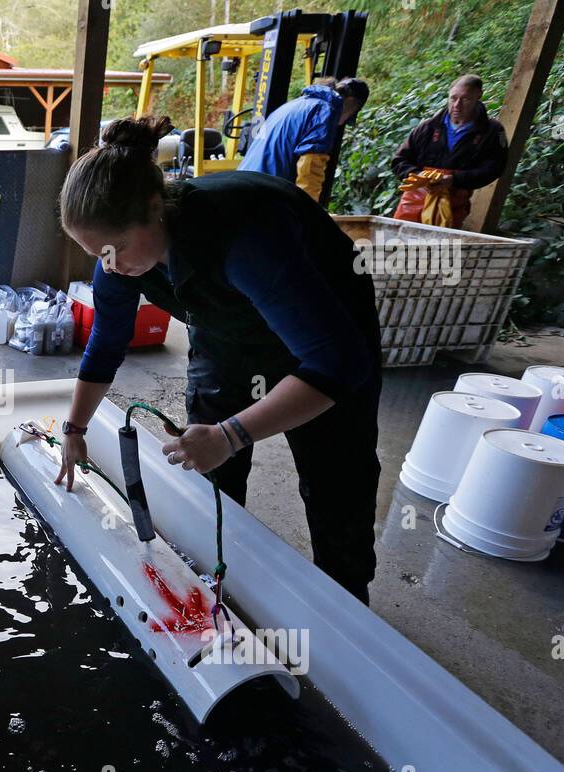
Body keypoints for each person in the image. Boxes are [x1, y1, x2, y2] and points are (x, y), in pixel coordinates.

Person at [56, 116, 384, 605]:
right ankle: (217, 583)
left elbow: (336, 363)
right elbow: (106, 342)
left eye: (118, 248)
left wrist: (233, 433)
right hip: (226, 336)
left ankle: (349, 609)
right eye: (95, 253)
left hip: (325, 336)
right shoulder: (118, 260)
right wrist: (74, 430)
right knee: (207, 467)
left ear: (154, 207)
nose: (110, 265)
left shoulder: (244, 233)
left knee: (336, 485)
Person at [391, 74, 508, 228]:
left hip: (454, 203)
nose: (457, 105)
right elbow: (399, 160)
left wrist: (454, 179)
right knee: (399, 245)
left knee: (441, 249)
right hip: (413, 201)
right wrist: (420, 177)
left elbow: (494, 168)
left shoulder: (491, 131)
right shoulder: (428, 127)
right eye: (453, 98)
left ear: (478, 96)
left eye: (465, 99)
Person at [238, 77, 368, 201]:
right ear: (350, 102)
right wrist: (309, 212)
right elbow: (310, 168)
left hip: (242, 186)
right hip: (264, 194)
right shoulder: (324, 110)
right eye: (349, 117)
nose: (342, 123)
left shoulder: (297, 104)